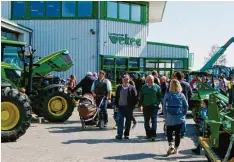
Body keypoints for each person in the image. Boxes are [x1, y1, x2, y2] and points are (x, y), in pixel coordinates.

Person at [163, 79, 188, 155]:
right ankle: (176, 149)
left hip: (169, 117)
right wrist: (183, 114)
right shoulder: (181, 95)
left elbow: (164, 106)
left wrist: (165, 116)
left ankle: (171, 144)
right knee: (178, 134)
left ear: (170, 86)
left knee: (169, 132)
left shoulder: (167, 94)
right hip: (179, 117)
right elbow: (186, 106)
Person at [138, 75, 162, 141]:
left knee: (154, 121)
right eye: (148, 79)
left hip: (154, 107)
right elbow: (141, 97)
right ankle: (148, 134)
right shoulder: (144, 87)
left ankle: (153, 135)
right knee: (146, 121)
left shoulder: (157, 87)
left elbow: (160, 96)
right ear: (146, 80)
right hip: (146, 106)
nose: (150, 81)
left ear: (153, 80)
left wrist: (157, 103)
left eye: (151, 79)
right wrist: (139, 105)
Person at [115, 74, 138, 139]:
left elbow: (136, 98)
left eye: (127, 79)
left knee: (128, 122)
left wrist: (133, 106)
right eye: (124, 79)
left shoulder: (132, 88)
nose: (126, 80)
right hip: (120, 107)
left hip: (129, 108)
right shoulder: (119, 87)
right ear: (122, 79)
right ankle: (119, 134)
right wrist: (116, 106)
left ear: (129, 79)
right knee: (120, 121)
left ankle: (126, 134)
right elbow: (116, 97)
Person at [174, 72, 193, 138]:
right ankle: (182, 133)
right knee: (183, 118)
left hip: (176, 104)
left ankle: (177, 131)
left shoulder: (175, 84)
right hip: (184, 104)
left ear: (176, 77)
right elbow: (191, 94)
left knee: (175, 118)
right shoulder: (187, 84)